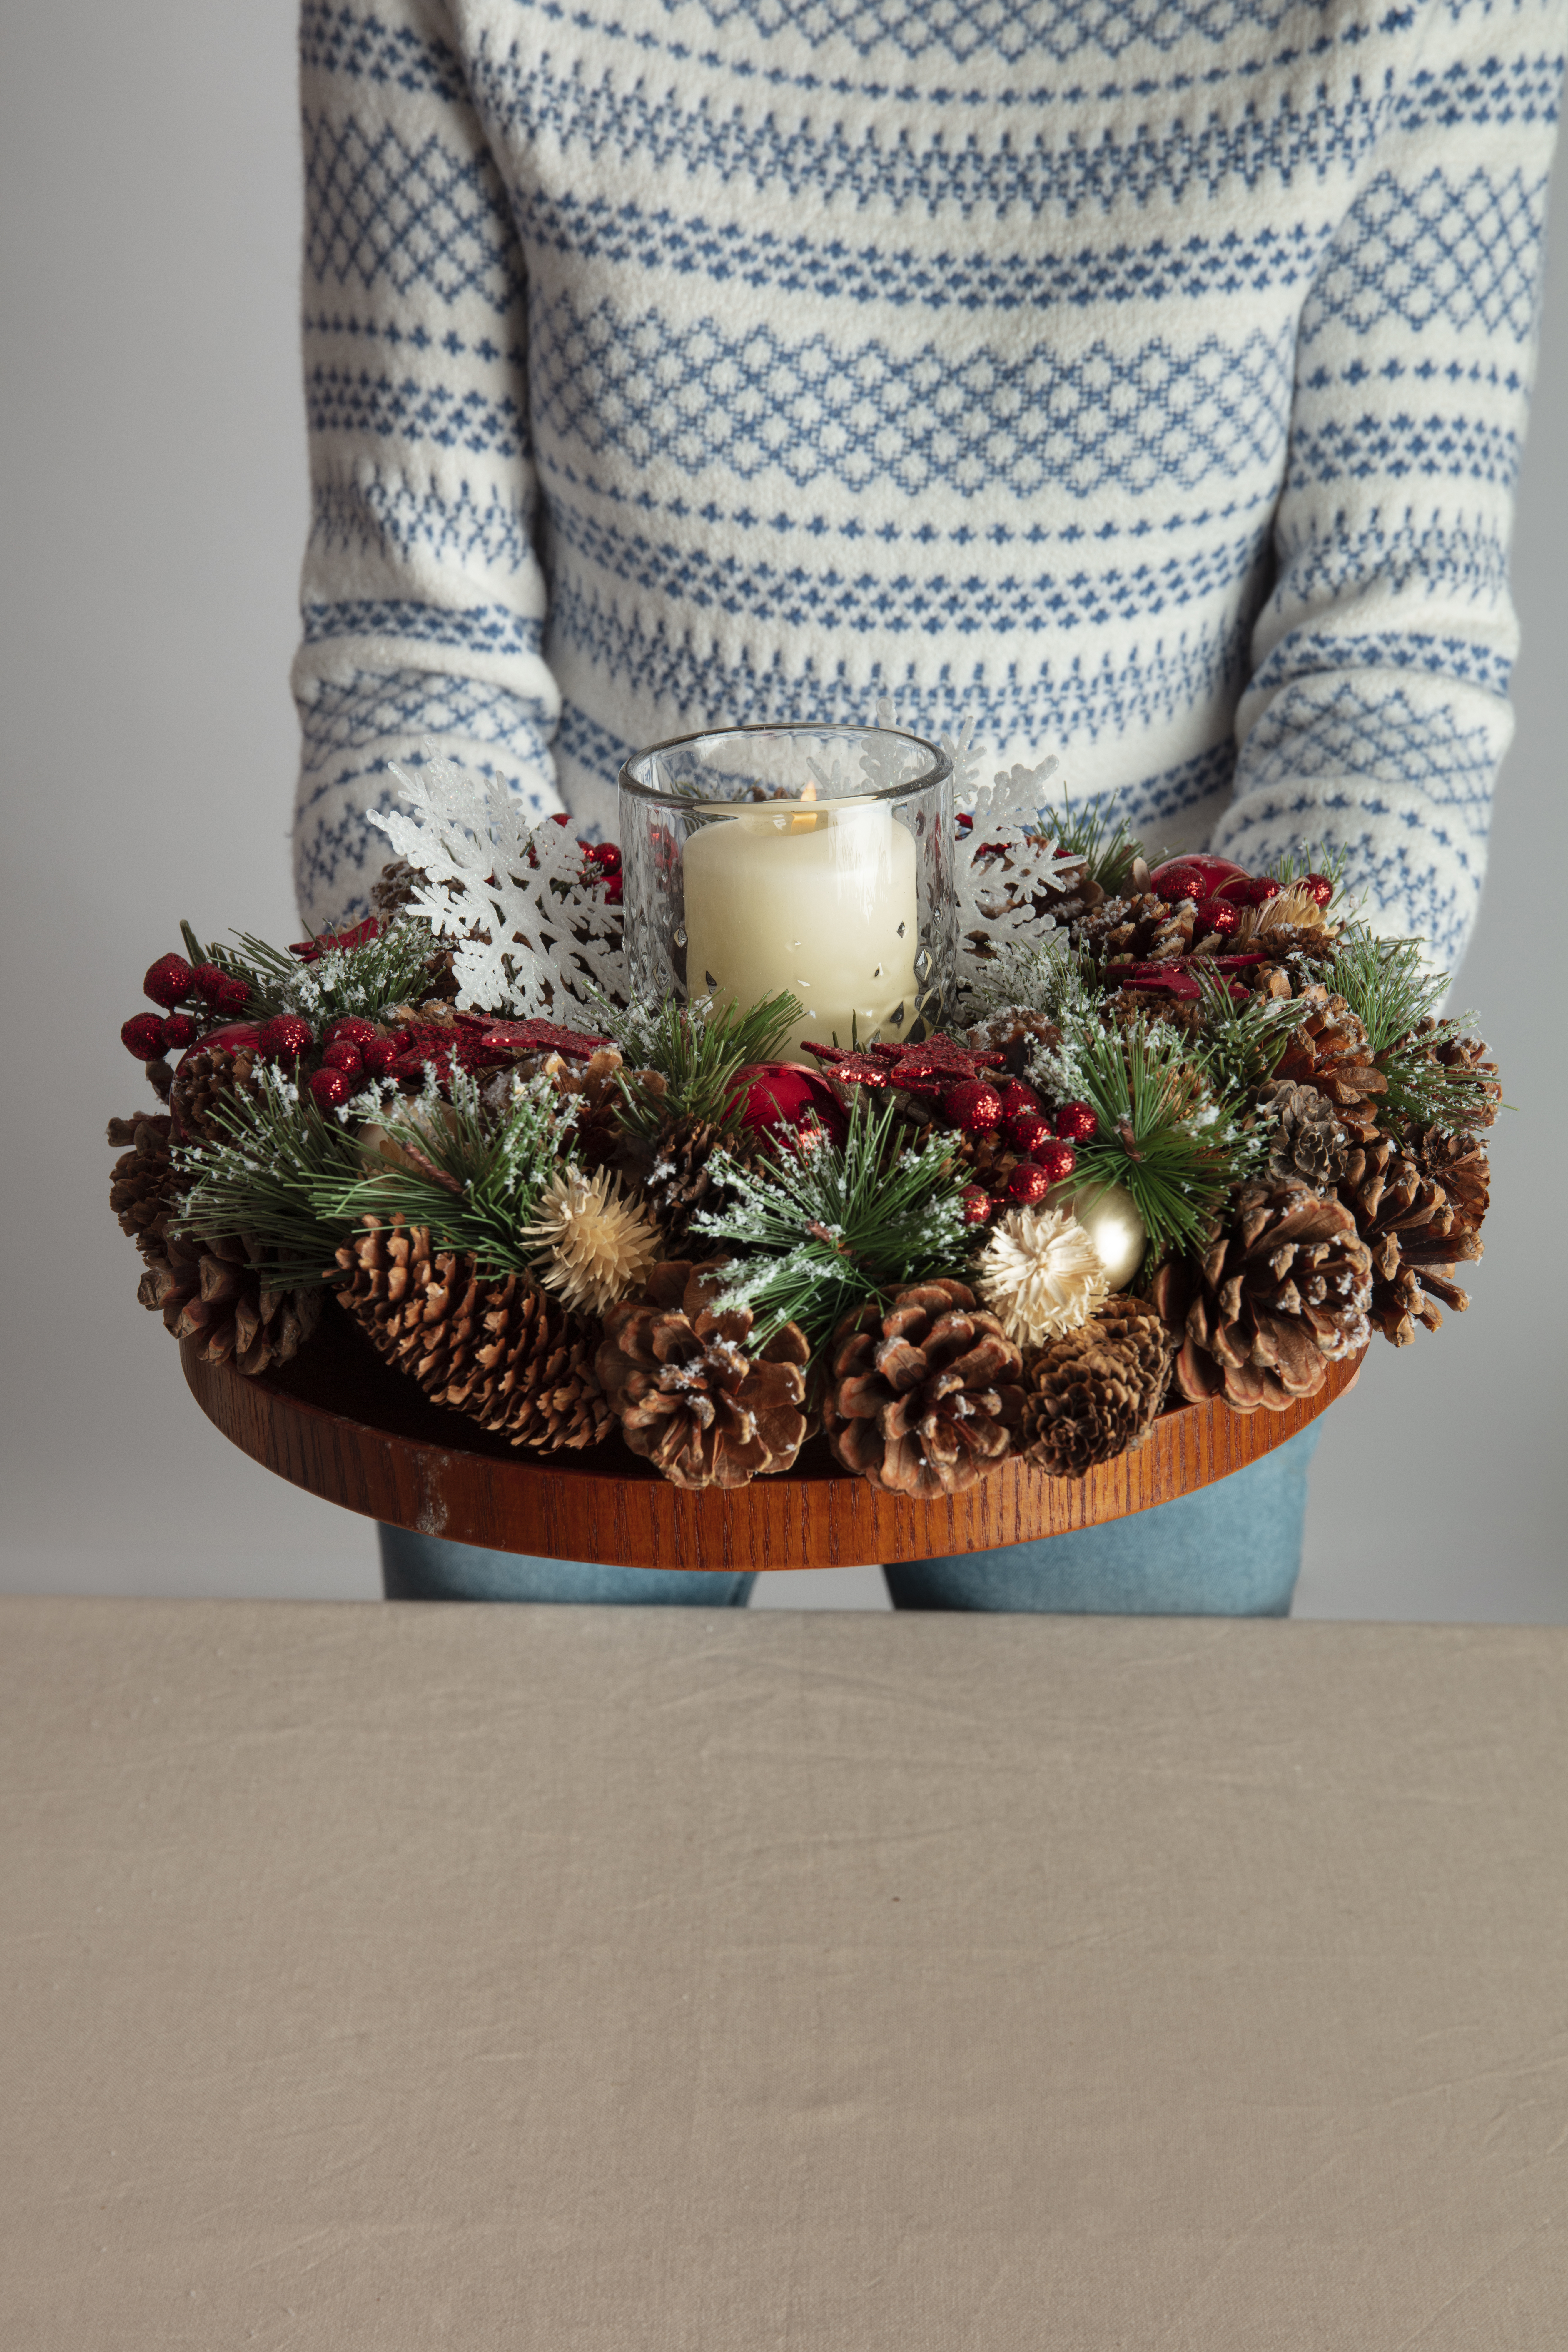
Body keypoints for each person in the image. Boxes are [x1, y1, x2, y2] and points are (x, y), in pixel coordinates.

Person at [291, 0, 1563, 1610]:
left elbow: (1390, 655)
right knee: (547, 1769)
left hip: (1126, 1189)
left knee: (1116, 1769)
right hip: (590, 1160)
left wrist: (1202, 1134)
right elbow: (414, 635)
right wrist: (502, 1112)